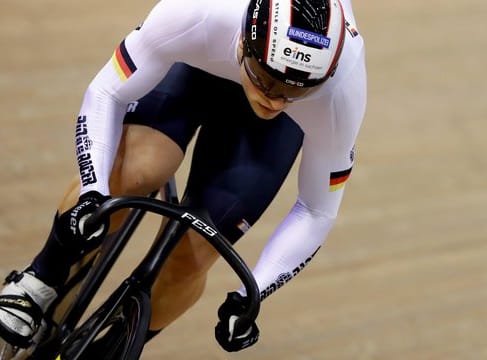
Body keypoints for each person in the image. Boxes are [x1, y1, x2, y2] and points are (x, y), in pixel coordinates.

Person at [0, 0, 366, 354]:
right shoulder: (199, 11)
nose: (274, 101)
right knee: (133, 173)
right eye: (267, 82)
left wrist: (251, 294)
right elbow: (107, 92)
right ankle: (39, 280)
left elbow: (317, 211)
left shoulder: (342, 85)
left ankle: (115, 347)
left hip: (269, 109)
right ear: (243, 41)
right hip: (201, 60)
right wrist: (92, 193)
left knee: (196, 250)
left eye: (293, 91)